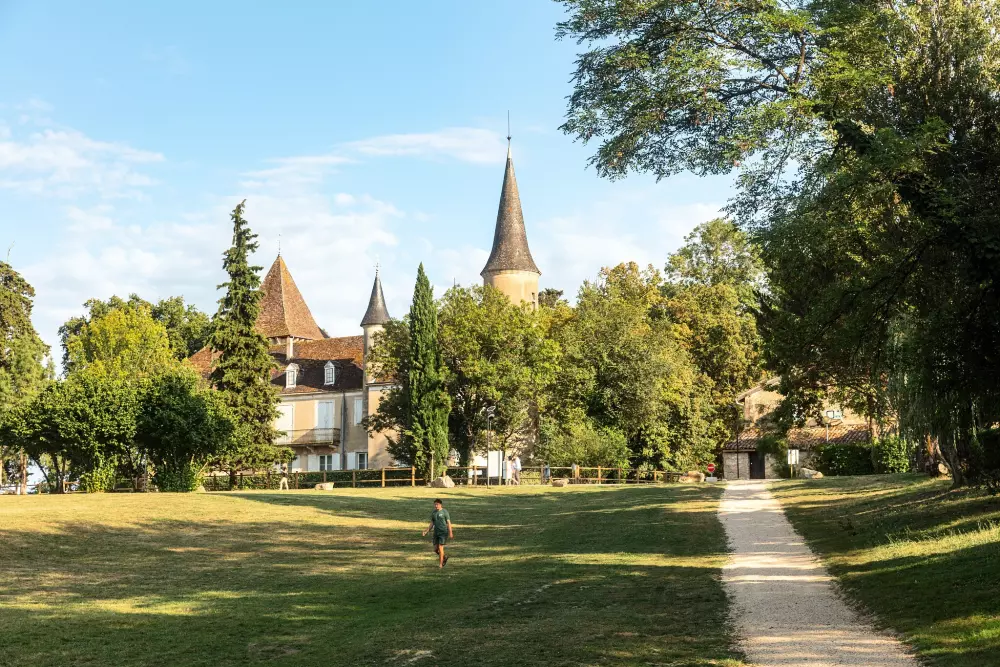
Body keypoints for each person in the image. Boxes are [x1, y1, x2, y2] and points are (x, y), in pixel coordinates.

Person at [422, 498, 454, 568]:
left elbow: (448, 523)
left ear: (440, 504)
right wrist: (426, 531)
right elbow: (432, 523)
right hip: (436, 533)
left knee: (440, 548)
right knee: (435, 550)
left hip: (443, 532)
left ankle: (440, 565)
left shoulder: (445, 512)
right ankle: (444, 557)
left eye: (437, 504)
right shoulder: (434, 512)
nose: (436, 506)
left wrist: (450, 532)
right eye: (435, 504)